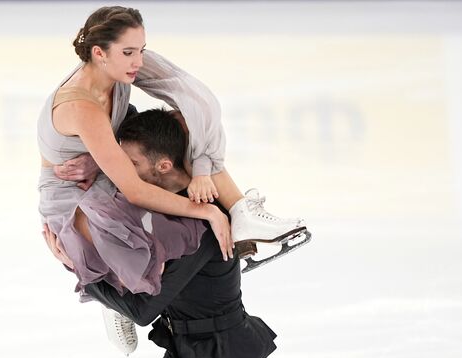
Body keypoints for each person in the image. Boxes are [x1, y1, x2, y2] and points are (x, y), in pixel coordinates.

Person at [38, 5, 306, 295]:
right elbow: (135, 191)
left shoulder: (119, 67)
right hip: (76, 198)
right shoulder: (81, 106)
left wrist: (202, 168)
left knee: (185, 127)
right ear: (99, 53)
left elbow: (201, 103)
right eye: (129, 52)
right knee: (173, 241)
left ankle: (242, 213)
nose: (139, 61)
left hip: (103, 173)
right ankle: (117, 292)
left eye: (142, 49)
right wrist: (210, 213)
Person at [43, 108, 278, 358]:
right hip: (189, 348)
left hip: (219, 355)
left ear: (164, 166)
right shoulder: (166, 200)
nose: (122, 172)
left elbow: (142, 311)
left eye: (132, 164)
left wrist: (79, 269)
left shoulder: (203, 227)